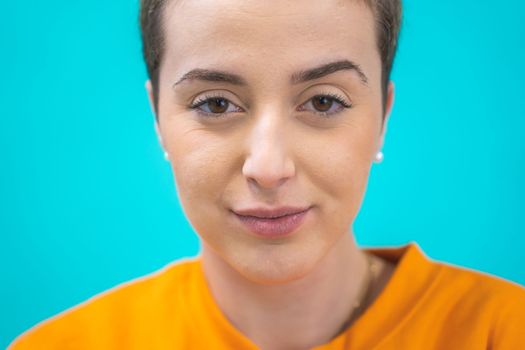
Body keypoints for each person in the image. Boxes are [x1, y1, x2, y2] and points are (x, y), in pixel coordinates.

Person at [9, 0, 525, 349]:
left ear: (383, 119)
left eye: (324, 101)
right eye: (215, 103)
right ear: (158, 121)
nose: (269, 168)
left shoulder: (502, 332)